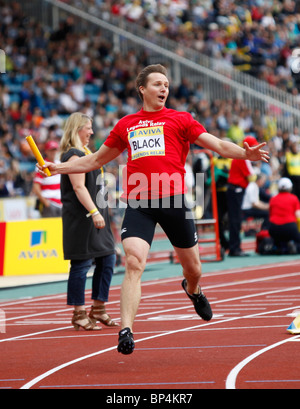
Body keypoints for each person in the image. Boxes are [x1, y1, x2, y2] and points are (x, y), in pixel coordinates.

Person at [38, 64, 269, 354]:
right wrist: (57, 166)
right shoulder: (126, 125)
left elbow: (218, 145)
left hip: (174, 200)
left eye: (167, 85)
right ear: (142, 89)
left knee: (194, 268)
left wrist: (243, 152)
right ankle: (126, 330)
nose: (164, 89)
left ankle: (193, 289)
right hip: (140, 204)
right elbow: (94, 160)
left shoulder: (180, 119)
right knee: (134, 262)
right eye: (158, 84)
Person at [59, 112, 118, 331]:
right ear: (77, 130)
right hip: (82, 217)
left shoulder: (87, 152)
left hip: (97, 214)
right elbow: (78, 187)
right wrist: (94, 211)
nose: (92, 132)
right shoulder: (73, 156)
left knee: (108, 258)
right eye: (88, 128)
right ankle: (78, 312)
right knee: (81, 264)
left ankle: (99, 308)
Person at [226, 135, 260, 257]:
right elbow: (251, 177)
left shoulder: (240, 157)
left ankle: (234, 246)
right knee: (236, 220)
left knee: (235, 219)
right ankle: (235, 248)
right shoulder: (243, 158)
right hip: (236, 190)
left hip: (235, 190)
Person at [268, 177, 300, 254]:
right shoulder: (294, 198)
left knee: (279, 238)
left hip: (274, 228)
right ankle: (292, 245)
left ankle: (281, 247)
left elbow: (271, 214)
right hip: (290, 227)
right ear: (290, 188)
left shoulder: (273, 199)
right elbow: (298, 215)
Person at [32, 140, 62, 217]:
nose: (53, 152)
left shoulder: (59, 163)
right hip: (50, 203)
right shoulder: (43, 165)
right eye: (51, 150)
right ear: (46, 151)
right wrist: (45, 202)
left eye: (54, 150)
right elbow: (36, 187)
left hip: (61, 204)